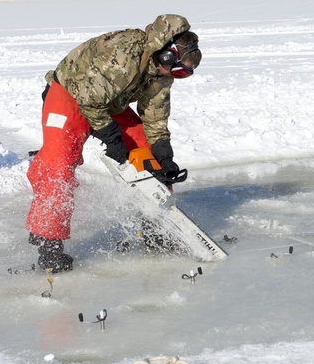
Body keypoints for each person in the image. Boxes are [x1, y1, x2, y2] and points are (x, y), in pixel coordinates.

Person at [26, 14, 202, 272]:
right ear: (167, 55)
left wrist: (164, 156)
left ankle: (155, 225)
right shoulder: (125, 53)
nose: (176, 75)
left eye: (184, 73)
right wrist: (113, 140)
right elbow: (89, 100)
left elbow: (155, 117)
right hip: (70, 95)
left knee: (146, 149)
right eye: (177, 69)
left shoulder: (161, 73)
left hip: (108, 102)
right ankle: (48, 244)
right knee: (59, 165)